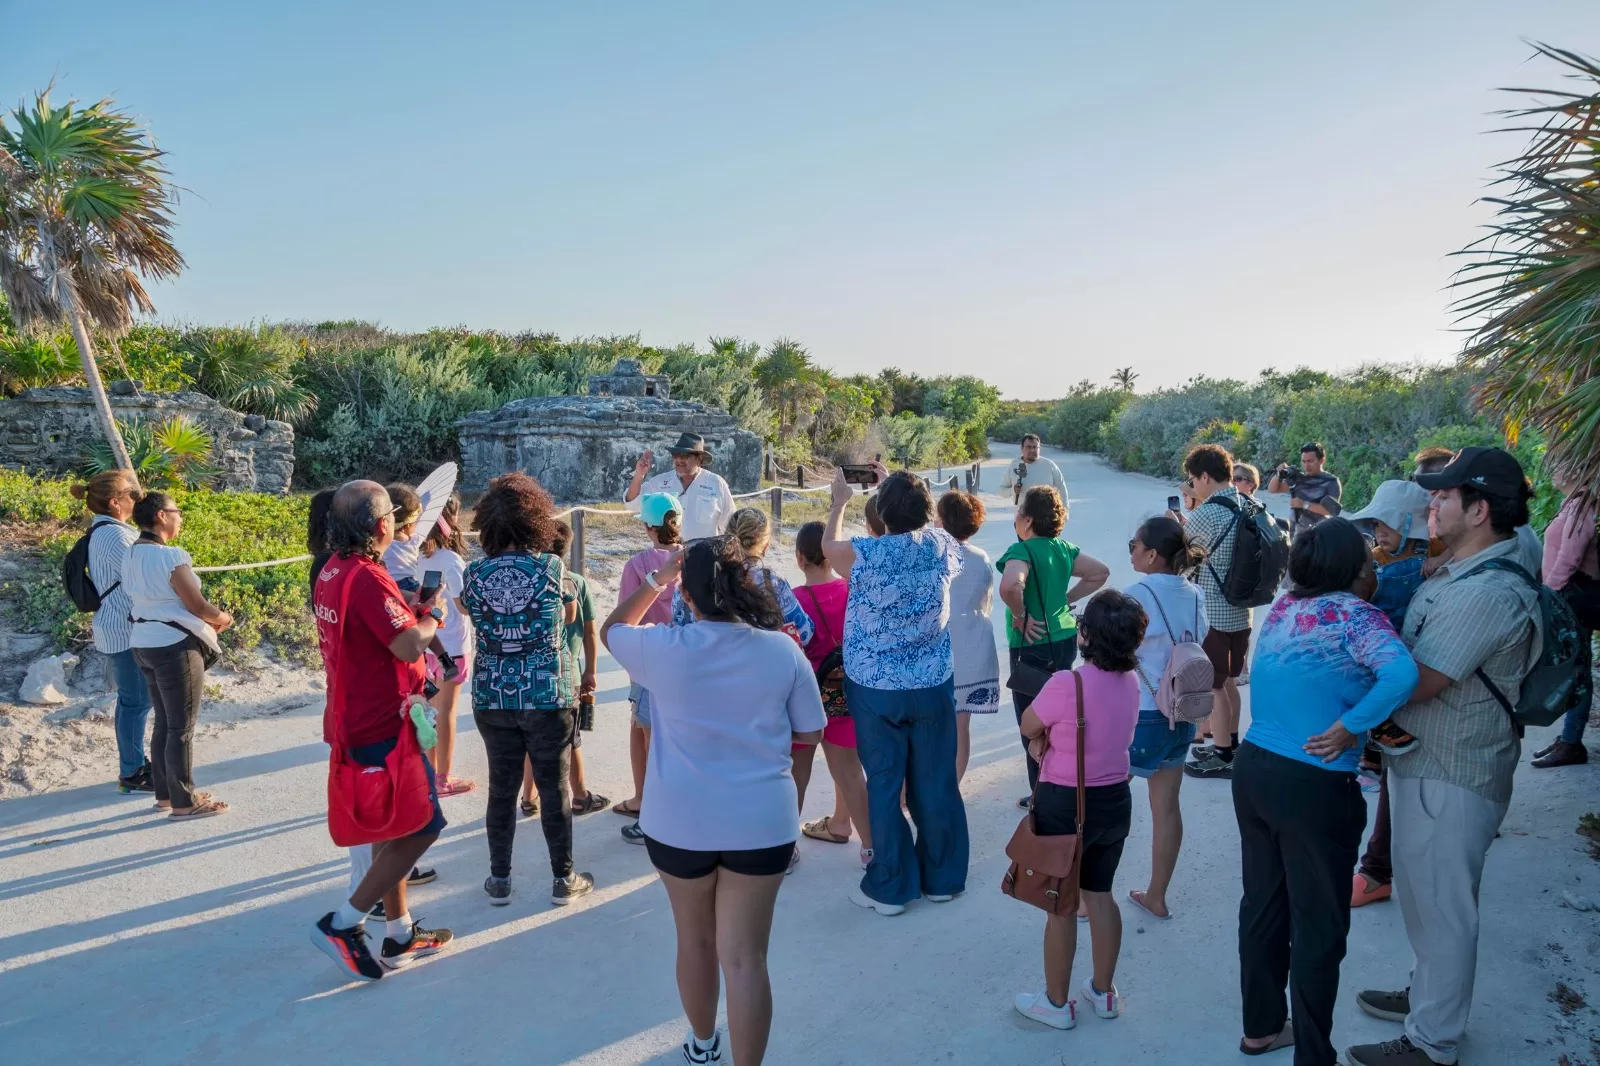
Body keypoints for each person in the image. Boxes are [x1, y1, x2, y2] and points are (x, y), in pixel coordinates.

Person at [1347, 447, 1543, 1066]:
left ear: (1479, 510)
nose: (1431, 506)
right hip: (1429, 761)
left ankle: (1433, 1043)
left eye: (1444, 497)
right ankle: (1428, 997)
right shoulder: (1462, 571)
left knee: (1445, 907)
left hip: (1453, 770)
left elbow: (1419, 680)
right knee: (1426, 897)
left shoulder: (1487, 592)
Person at [602, 536, 826, 1066]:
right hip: (762, 823)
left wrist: (659, 578)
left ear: (688, 594)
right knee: (746, 959)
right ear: (744, 584)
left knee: (695, 940)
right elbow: (811, 733)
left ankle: (703, 1046)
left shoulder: (663, 649)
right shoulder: (782, 651)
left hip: (678, 822)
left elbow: (613, 629)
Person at [1234, 518, 1419, 1064]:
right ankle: (1315, 1056)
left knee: (1263, 906)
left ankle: (1261, 1028)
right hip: (1313, 783)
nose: (1375, 571)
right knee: (1319, 924)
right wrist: (1351, 724)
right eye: (1370, 563)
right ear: (1353, 572)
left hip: (1254, 768)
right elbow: (1401, 674)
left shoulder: (1284, 608)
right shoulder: (1357, 616)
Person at [310, 481, 452, 980]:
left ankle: (400, 934)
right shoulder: (368, 577)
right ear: (381, 525)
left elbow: (370, 626)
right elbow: (409, 646)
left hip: (353, 715)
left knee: (388, 827)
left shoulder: (332, 569)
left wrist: (406, 604)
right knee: (424, 826)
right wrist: (433, 616)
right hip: (381, 721)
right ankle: (344, 922)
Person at [822, 465, 969, 916]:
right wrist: (899, 489)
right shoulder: (943, 546)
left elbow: (828, 548)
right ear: (926, 511)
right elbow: (935, 529)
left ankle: (891, 886)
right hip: (931, 682)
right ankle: (942, 878)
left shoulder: (864, 553)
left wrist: (840, 502)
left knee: (885, 782)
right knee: (936, 779)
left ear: (881, 513)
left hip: (876, 687)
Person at [1012, 590, 1145, 1031]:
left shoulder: (1067, 684)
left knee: (1060, 906)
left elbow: (1029, 724)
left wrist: (1041, 740)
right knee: (1101, 894)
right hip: (1114, 801)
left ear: (1085, 634)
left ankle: (1056, 1003)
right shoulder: (1131, 682)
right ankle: (1104, 993)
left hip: (1065, 803)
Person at [460, 473, 592, 907]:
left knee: (501, 790)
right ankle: (563, 878)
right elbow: (570, 614)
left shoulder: (474, 573)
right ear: (537, 519)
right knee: (554, 789)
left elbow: (464, 607)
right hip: (548, 693)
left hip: (493, 694)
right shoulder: (552, 568)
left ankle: (499, 880)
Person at [1343, 480, 1435, 909]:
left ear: (1409, 528)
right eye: (1375, 525)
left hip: (1399, 656)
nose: (1378, 532)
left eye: (1385, 525)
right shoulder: (1413, 560)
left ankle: (1379, 871)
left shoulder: (1403, 568)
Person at [998, 485, 1111, 802]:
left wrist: (1020, 614)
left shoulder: (1022, 551)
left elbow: (1010, 585)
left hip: (1031, 644)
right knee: (1058, 714)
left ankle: (1041, 793)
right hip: (1063, 640)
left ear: (1028, 520)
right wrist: (1064, 599)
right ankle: (1061, 782)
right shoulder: (1063, 549)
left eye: (1019, 512)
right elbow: (1100, 572)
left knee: (1032, 722)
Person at [125, 491, 233, 820]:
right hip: (175, 645)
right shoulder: (170, 556)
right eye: (177, 511)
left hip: (143, 642)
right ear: (161, 515)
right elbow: (197, 605)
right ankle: (185, 801)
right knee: (181, 728)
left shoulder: (130, 554)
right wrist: (224, 618)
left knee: (165, 722)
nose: (180, 517)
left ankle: (166, 795)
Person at [1123, 516, 1209, 921]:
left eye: (1135, 545)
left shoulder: (1136, 594)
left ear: (1152, 554)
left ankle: (1087, 898)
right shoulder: (1194, 593)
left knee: (1100, 803)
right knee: (1167, 808)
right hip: (1182, 709)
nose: (1132, 552)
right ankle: (1157, 896)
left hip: (1141, 713)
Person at [793, 520, 873, 870]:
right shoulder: (852, 589)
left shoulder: (793, 600)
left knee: (796, 775)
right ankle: (871, 849)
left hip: (803, 698)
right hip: (844, 692)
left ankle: (785, 849)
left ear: (799, 558)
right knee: (851, 773)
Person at [1177, 444, 1259, 780]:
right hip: (1242, 612)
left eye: (1193, 479)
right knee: (1229, 683)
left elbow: (1182, 559)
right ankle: (1231, 743)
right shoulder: (1248, 504)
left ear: (1205, 476)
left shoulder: (1207, 513)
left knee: (1214, 686)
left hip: (1213, 613)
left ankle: (1223, 755)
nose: (1192, 486)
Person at [71, 471, 153, 793]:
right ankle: (132, 771)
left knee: (133, 700)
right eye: (131, 493)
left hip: (119, 626)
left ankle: (134, 764)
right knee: (136, 701)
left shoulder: (107, 531)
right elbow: (144, 573)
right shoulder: (115, 536)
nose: (136, 498)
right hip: (123, 629)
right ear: (115, 503)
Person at [613, 492, 683, 844]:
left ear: (646, 526)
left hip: (646, 659)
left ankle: (649, 804)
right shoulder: (690, 560)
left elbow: (625, 618)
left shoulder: (637, 565)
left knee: (645, 731)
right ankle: (650, 799)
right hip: (683, 659)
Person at [1527, 465, 1596, 769]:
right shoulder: (1573, 504)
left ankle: (1571, 742)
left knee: (1576, 670)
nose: (1553, 471)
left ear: (1576, 470)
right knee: (1575, 668)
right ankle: (1569, 738)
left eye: (1559, 465)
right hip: (1567, 596)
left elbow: (1570, 557)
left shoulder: (1582, 506)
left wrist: (1549, 594)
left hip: (1572, 598)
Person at [543, 519, 609, 813]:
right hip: (568, 675)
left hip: (538, 673)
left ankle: (529, 797)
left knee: (535, 738)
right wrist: (591, 670)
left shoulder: (537, 579)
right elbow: (591, 632)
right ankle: (581, 795)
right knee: (571, 739)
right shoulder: (577, 583)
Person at [938, 491, 1001, 782]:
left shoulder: (936, 555)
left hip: (941, 648)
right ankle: (952, 787)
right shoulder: (981, 557)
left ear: (942, 520)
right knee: (961, 726)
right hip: (973, 647)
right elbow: (985, 603)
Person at [1415, 447, 1543, 579]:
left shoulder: (1483, 586)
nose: (1433, 504)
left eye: (1444, 497)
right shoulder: (1503, 538)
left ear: (1479, 511)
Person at [419, 495, 475, 796]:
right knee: (448, 712)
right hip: (452, 645)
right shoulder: (451, 560)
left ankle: (429, 774)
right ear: (450, 521)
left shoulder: (416, 556)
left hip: (426, 644)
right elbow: (463, 607)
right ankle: (443, 778)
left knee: (430, 711)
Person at [624, 432, 735, 540]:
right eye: (676, 455)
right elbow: (632, 503)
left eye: (685, 455)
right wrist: (639, 475)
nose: (679, 459)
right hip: (667, 552)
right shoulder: (660, 482)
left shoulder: (716, 484)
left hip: (704, 552)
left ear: (699, 459)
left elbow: (731, 524)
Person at [1268, 442, 1342, 542]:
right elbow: (1272, 489)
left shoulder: (1331, 481)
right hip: (1295, 535)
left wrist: (1304, 504)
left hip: (1319, 536)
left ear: (1322, 460)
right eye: (1304, 461)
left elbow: (1331, 510)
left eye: (1310, 461)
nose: (1307, 465)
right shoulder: (1298, 479)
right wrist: (1279, 474)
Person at [1002, 433, 1068, 505]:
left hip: (1046, 511)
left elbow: (1062, 489)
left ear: (1039, 448)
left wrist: (1065, 510)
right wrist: (1013, 491)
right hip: (1022, 511)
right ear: (1022, 448)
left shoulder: (1049, 465)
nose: (1032, 450)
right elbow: (1002, 490)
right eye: (1028, 447)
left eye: (1035, 447)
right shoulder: (1014, 465)